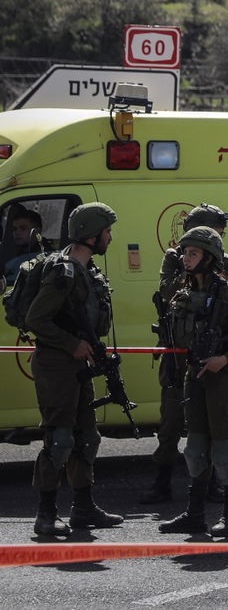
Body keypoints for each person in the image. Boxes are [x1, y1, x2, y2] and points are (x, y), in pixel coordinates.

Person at [25, 202, 124, 538]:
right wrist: (71, 344)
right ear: (92, 234)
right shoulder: (62, 272)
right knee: (60, 438)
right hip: (57, 363)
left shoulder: (87, 269)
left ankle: (83, 508)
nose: (110, 237)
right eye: (107, 232)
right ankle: (45, 514)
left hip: (78, 363)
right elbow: (36, 319)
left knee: (87, 437)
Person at [158, 227, 228, 538]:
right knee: (196, 448)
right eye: (185, 253)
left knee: (225, 450)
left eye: (193, 254)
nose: (186, 259)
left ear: (209, 258)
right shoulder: (185, 295)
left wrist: (224, 359)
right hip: (196, 378)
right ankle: (195, 513)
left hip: (224, 380)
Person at [142, 203, 228, 504]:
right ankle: (162, 480)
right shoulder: (175, 260)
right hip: (178, 354)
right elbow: (169, 292)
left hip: (209, 352)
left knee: (210, 421)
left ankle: (210, 484)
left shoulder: (225, 262)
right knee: (170, 420)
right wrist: (195, 269)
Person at [3, 205, 50, 286]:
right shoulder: (20, 252)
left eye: (23, 228)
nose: (17, 233)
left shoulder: (44, 254)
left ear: (37, 231)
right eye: (14, 229)